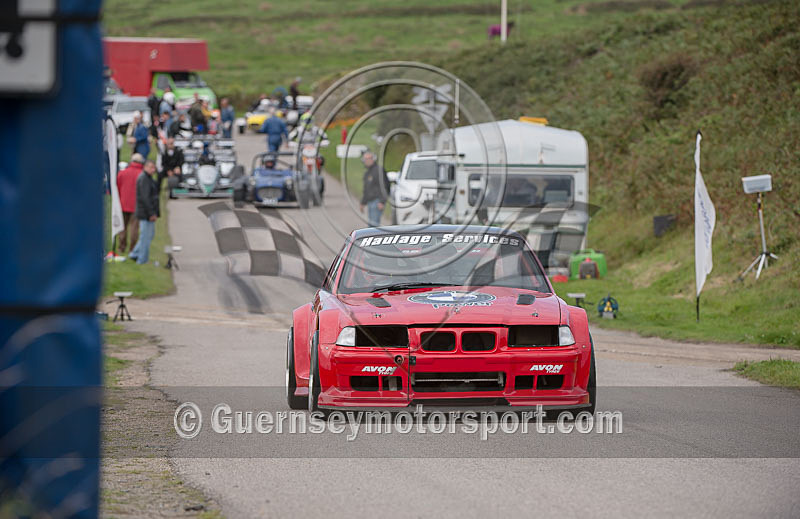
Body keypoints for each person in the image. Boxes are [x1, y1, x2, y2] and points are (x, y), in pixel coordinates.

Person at [128, 160, 159, 264]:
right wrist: (151, 213)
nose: (153, 170)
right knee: (145, 237)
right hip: (146, 213)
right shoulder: (144, 179)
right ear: (145, 167)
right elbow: (145, 198)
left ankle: (134, 254)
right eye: (151, 167)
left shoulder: (148, 178)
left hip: (148, 212)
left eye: (154, 168)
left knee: (149, 235)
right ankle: (142, 260)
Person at [116, 153, 144, 254]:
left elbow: (117, 187)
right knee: (134, 228)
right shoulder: (142, 174)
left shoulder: (122, 173)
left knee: (122, 227)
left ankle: (121, 247)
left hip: (123, 203)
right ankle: (132, 249)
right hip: (136, 205)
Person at [359, 151, 389, 227]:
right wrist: (363, 203)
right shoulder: (367, 173)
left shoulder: (379, 170)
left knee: (374, 227)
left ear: (373, 159)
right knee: (370, 226)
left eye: (368, 158)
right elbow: (366, 189)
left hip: (377, 202)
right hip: (370, 202)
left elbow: (385, 186)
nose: (366, 161)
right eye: (365, 159)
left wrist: (382, 201)